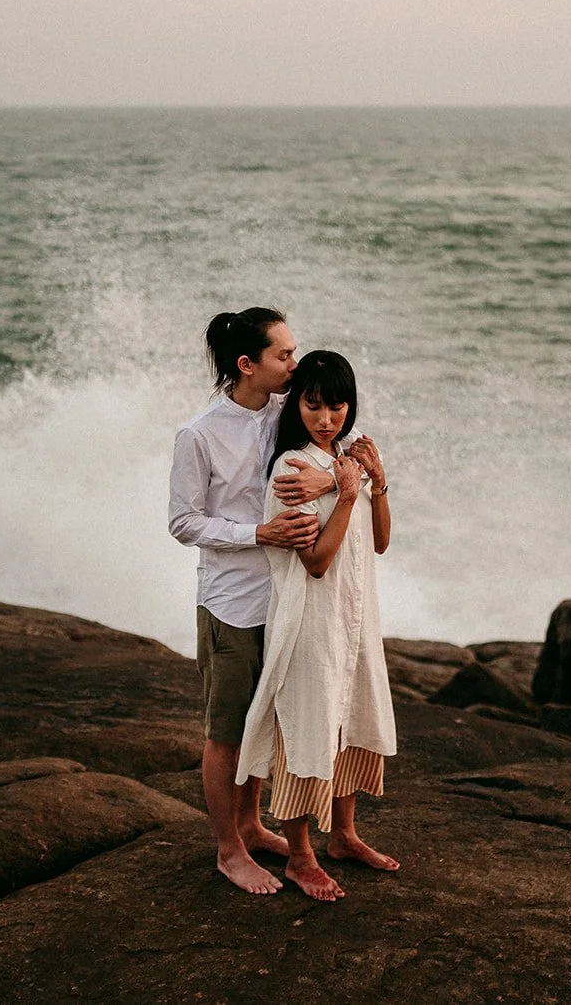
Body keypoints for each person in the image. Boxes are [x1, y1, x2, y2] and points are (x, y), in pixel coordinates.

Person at [167, 307, 339, 895]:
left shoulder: (284, 414)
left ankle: (251, 823)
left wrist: (332, 480)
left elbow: (344, 447)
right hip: (231, 604)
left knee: (267, 720)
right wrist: (256, 534)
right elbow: (183, 522)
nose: (295, 363)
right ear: (248, 364)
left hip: (287, 598)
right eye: (283, 355)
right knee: (227, 731)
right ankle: (228, 849)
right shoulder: (199, 433)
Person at [237, 350, 398, 903]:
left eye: (336, 406)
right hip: (310, 625)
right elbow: (317, 561)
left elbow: (380, 542)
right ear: (297, 406)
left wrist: (377, 484)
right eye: (313, 405)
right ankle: (300, 854)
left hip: (355, 618)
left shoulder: (342, 462)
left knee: (352, 717)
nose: (325, 418)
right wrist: (345, 492)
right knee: (309, 727)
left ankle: (345, 836)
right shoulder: (292, 469)